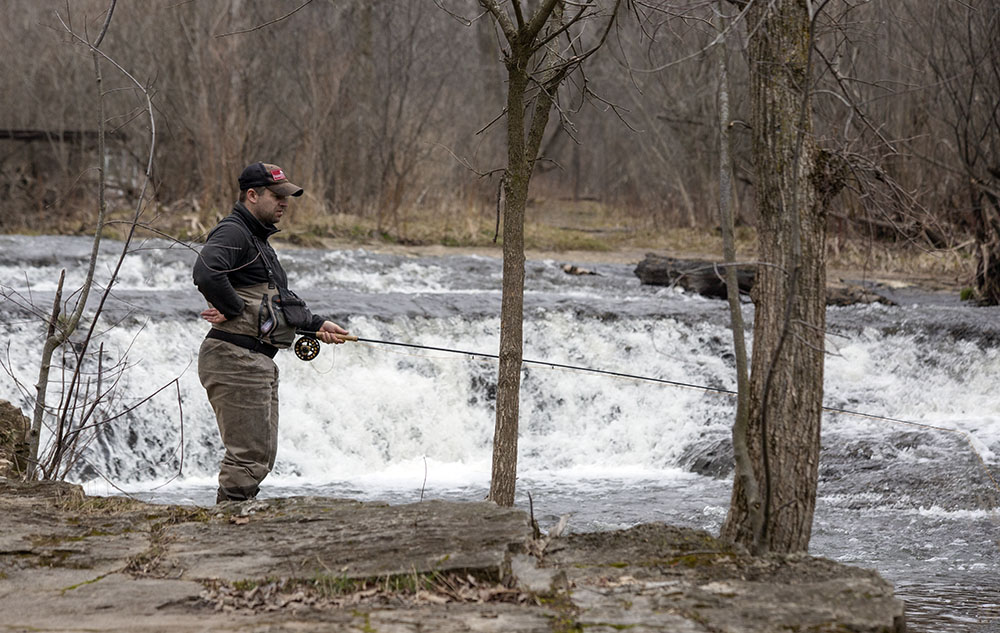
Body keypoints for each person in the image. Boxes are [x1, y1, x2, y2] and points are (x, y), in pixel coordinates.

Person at [193, 161, 349, 503]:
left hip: (255, 361)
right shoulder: (233, 232)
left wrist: (316, 323)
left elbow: (278, 301)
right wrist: (235, 310)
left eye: (287, 196)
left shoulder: (258, 239)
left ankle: (234, 525)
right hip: (235, 358)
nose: (284, 202)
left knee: (259, 459)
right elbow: (206, 272)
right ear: (252, 195)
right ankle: (227, 533)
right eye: (277, 195)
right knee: (248, 461)